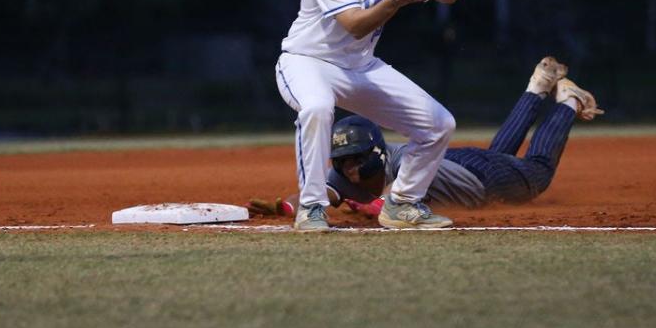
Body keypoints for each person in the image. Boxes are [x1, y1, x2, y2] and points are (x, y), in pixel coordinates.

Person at [274, 0, 462, 231]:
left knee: (439, 125)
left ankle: (402, 203)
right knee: (316, 107)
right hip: (307, 62)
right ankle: (312, 207)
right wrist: (392, 3)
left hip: (359, 66)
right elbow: (355, 25)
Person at [253, 57, 603, 221]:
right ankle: (538, 87)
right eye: (343, 162)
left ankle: (569, 100)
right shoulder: (348, 173)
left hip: (482, 180)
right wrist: (287, 205)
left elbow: (383, 206)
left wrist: (359, 205)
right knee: (500, 153)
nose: (351, 169)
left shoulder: (405, 163)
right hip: (459, 163)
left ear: (376, 151)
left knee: (536, 172)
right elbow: (324, 190)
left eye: (356, 159)